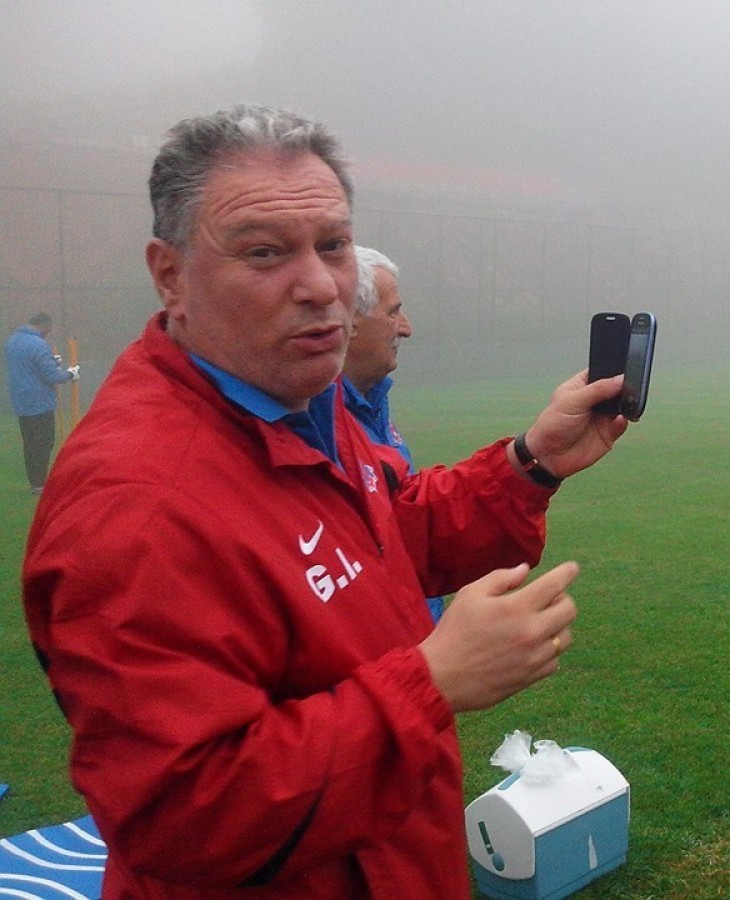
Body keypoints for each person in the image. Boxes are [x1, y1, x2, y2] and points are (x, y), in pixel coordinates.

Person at [22, 104, 630, 899]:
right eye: (264, 252)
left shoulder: (298, 399)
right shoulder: (134, 507)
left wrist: (530, 464)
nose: (319, 286)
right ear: (170, 275)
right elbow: (183, 815)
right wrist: (432, 682)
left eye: (333, 245)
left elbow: (378, 542)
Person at [343, 244, 445, 622]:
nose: (406, 327)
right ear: (348, 322)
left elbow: (409, 532)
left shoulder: (373, 403)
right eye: (392, 312)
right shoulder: (315, 429)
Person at [4, 312, 80, 494]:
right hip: (40, 403)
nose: (49, 332)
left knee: (30, 444)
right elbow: (51, 376)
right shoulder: (39, 344)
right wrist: (70, 374)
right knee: (44, 443)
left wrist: (52, 361)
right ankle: (40, 484)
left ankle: (35, 483)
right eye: (49, 329)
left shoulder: (12, 341)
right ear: (43, 325)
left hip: (21, 402)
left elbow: (30, 366)